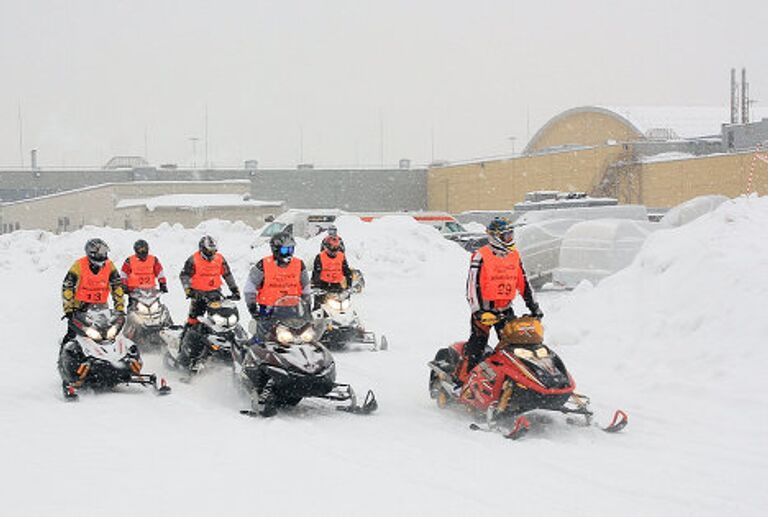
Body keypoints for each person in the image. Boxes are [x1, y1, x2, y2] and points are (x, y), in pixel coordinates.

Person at [461, 217, 543, 380]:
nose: (509, 239)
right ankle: (464, 379)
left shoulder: (514, 255)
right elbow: (472, 285)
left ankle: (511, 380)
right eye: (506, 236)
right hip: (485, 311)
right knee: (478, 345)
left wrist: (534, 307)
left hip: (505, 309)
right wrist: (478, 311)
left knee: (514, 345)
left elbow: (523, 283)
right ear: (495, 237)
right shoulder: (481, 255)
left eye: (511, 235)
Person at [60, 239, 125, 374]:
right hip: (80, 310)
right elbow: (67, 286)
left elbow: (117, 286)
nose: (104, 255)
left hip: (102, 309)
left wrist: (119, 309)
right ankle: (64, 366)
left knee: (109, 336)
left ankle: (116, 363)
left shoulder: (109, 265)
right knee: (71, 337)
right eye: (101, 252)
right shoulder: (79, 265)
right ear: (92, 253)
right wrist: (69, 310)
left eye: (105, 252)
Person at [177, 235, 240, 367]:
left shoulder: (220, 259)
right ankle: (183, 351)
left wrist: (234, 289)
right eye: (208, 251)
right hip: (198, 295)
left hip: (215, 294)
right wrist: (189, 290)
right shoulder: (193, 259)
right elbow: (184, 275)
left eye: (213, 251)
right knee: (193, 322)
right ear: (202, 249)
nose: (211, 254)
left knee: (222, 322)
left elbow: (227, 274)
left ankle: (223, 350)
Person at [244, 232, 310, 340]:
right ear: (275, 249)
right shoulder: (263, 265)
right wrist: (252, 307)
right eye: (285, 250)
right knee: (265, 341)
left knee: (300, 338)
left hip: (293, 310)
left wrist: (307, 307)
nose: (289, 253)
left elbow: (306, 287)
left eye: (291, 249)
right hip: (268, 311)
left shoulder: (299, 264)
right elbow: (250, 287)